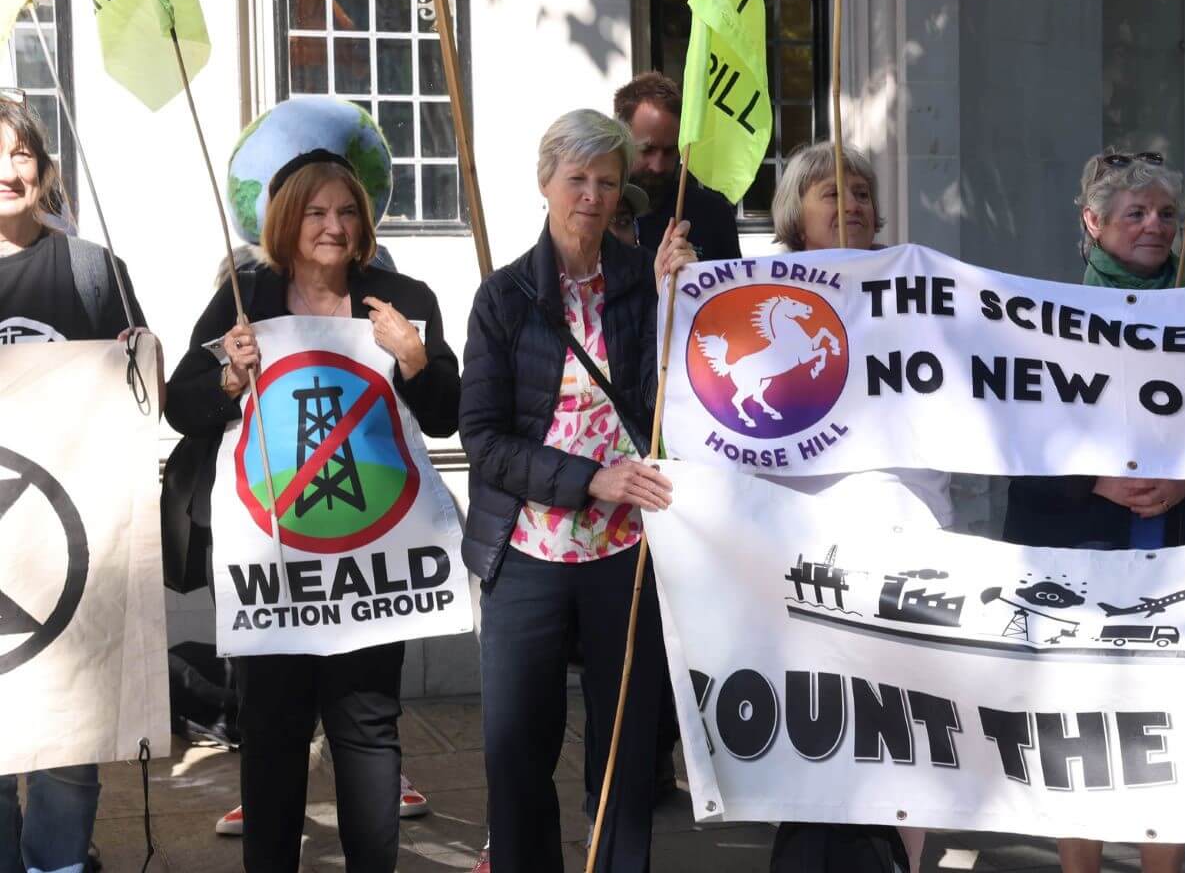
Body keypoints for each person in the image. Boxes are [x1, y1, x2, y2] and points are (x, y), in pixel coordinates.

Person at [165, 151, 461, 873]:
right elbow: (182, 406)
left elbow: (448, 415)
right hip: (276, 562)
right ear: (286, 221)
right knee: (270, 733)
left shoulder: (403, 296)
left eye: (347, 211)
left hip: (371, 562)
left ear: (364, 222)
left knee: (367, 729)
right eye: (316, 212)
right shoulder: (246, 298)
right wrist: (231, 375)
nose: (333, 226)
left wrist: (416, 360)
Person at [460, 109, 693, 873]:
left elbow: (676, 399)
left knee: (626, 749)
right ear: (545, 183)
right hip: (526, 547)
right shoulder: (504, 297)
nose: (591, 196)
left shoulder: (640, 286)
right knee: (517, 751)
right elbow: (485, 440)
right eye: (577, 179)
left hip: (626, 551)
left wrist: (680, 304)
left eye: (607, 180)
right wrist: (590, 478)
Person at [1002, 150, 1185, 873]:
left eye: (1166, 214)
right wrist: (1096, 484)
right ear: (1093, 221)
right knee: (1078, 729)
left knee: (1170, 729)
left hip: (1181, 547)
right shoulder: (1044, 324)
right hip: (1080, 548)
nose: (1154, 226)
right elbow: (1014, 442)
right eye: (1136, 212)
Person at [764, 141, 949, 873]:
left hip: (912, 534)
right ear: (796, 218)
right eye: (830, 194)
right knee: (820, 728)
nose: (852, 205)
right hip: (808, 552)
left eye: (863, 193)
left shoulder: (922, 289)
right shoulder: (756, 295)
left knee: (913, 732)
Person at [0, 95, 146, 873]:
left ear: (44, 167)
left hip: (68, 550)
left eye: (21, 154)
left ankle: (59, 864)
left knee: (65, 739)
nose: (7, 170)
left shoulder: (91, 271)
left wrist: (135, 354)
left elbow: (139, 393)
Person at [614, 71, 742, 261]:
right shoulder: (597, 209)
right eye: (647, 150)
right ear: (621, 141)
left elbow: (734, 289)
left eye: (670, 151)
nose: (658, 166)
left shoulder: (713, 214)